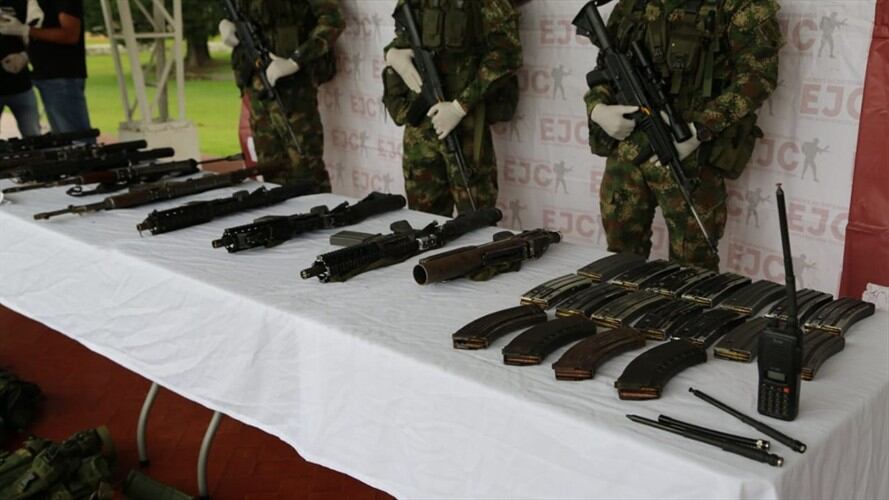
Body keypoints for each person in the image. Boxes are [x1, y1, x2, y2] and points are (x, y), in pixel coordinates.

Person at [584, 0, 783, 270]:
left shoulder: (740, 5)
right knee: (620, 260)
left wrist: (700, 129)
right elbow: (606, 66)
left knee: (693, 270)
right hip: (627, 155)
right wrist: (598, 109)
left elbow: (758, 78)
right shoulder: (632, 3)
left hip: (691, 157)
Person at [382, 0, 522, 216]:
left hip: (466, 126)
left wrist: (460, 106)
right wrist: (393, 54)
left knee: (476, 219)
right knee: (423, 220)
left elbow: (507, 55)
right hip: (420, 126)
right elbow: (404, 36)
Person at [220, 0, 344, 189]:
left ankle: (321, 216)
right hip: (256, 81)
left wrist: (296, 59)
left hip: (295, 87)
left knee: (306, 169)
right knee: (269, 167)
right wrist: (225, 23)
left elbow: (333, 22)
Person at [0, 0, 94, 141]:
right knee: (64, 141)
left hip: (61, 75)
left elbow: (70, 35)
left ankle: (86, 161)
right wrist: (26, 55)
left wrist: (26, 30)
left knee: (75, 139)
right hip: (45, 76)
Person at [0, 0, 40, 137]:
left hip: (22, 85)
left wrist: (25, 56)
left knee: (34, 138)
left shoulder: (23, 3)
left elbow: (37, 36)